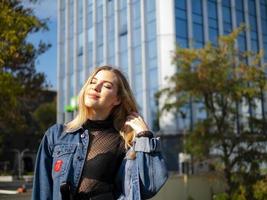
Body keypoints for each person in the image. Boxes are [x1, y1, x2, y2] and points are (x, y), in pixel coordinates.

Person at [32, 65, 168, 200]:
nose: (95, 87)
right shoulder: (56, 135)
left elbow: (149, 187)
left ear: (117, 99)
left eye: (107, 86)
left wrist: (145, 137)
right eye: (93, 81)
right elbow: (42, 191)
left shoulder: (126, 141)